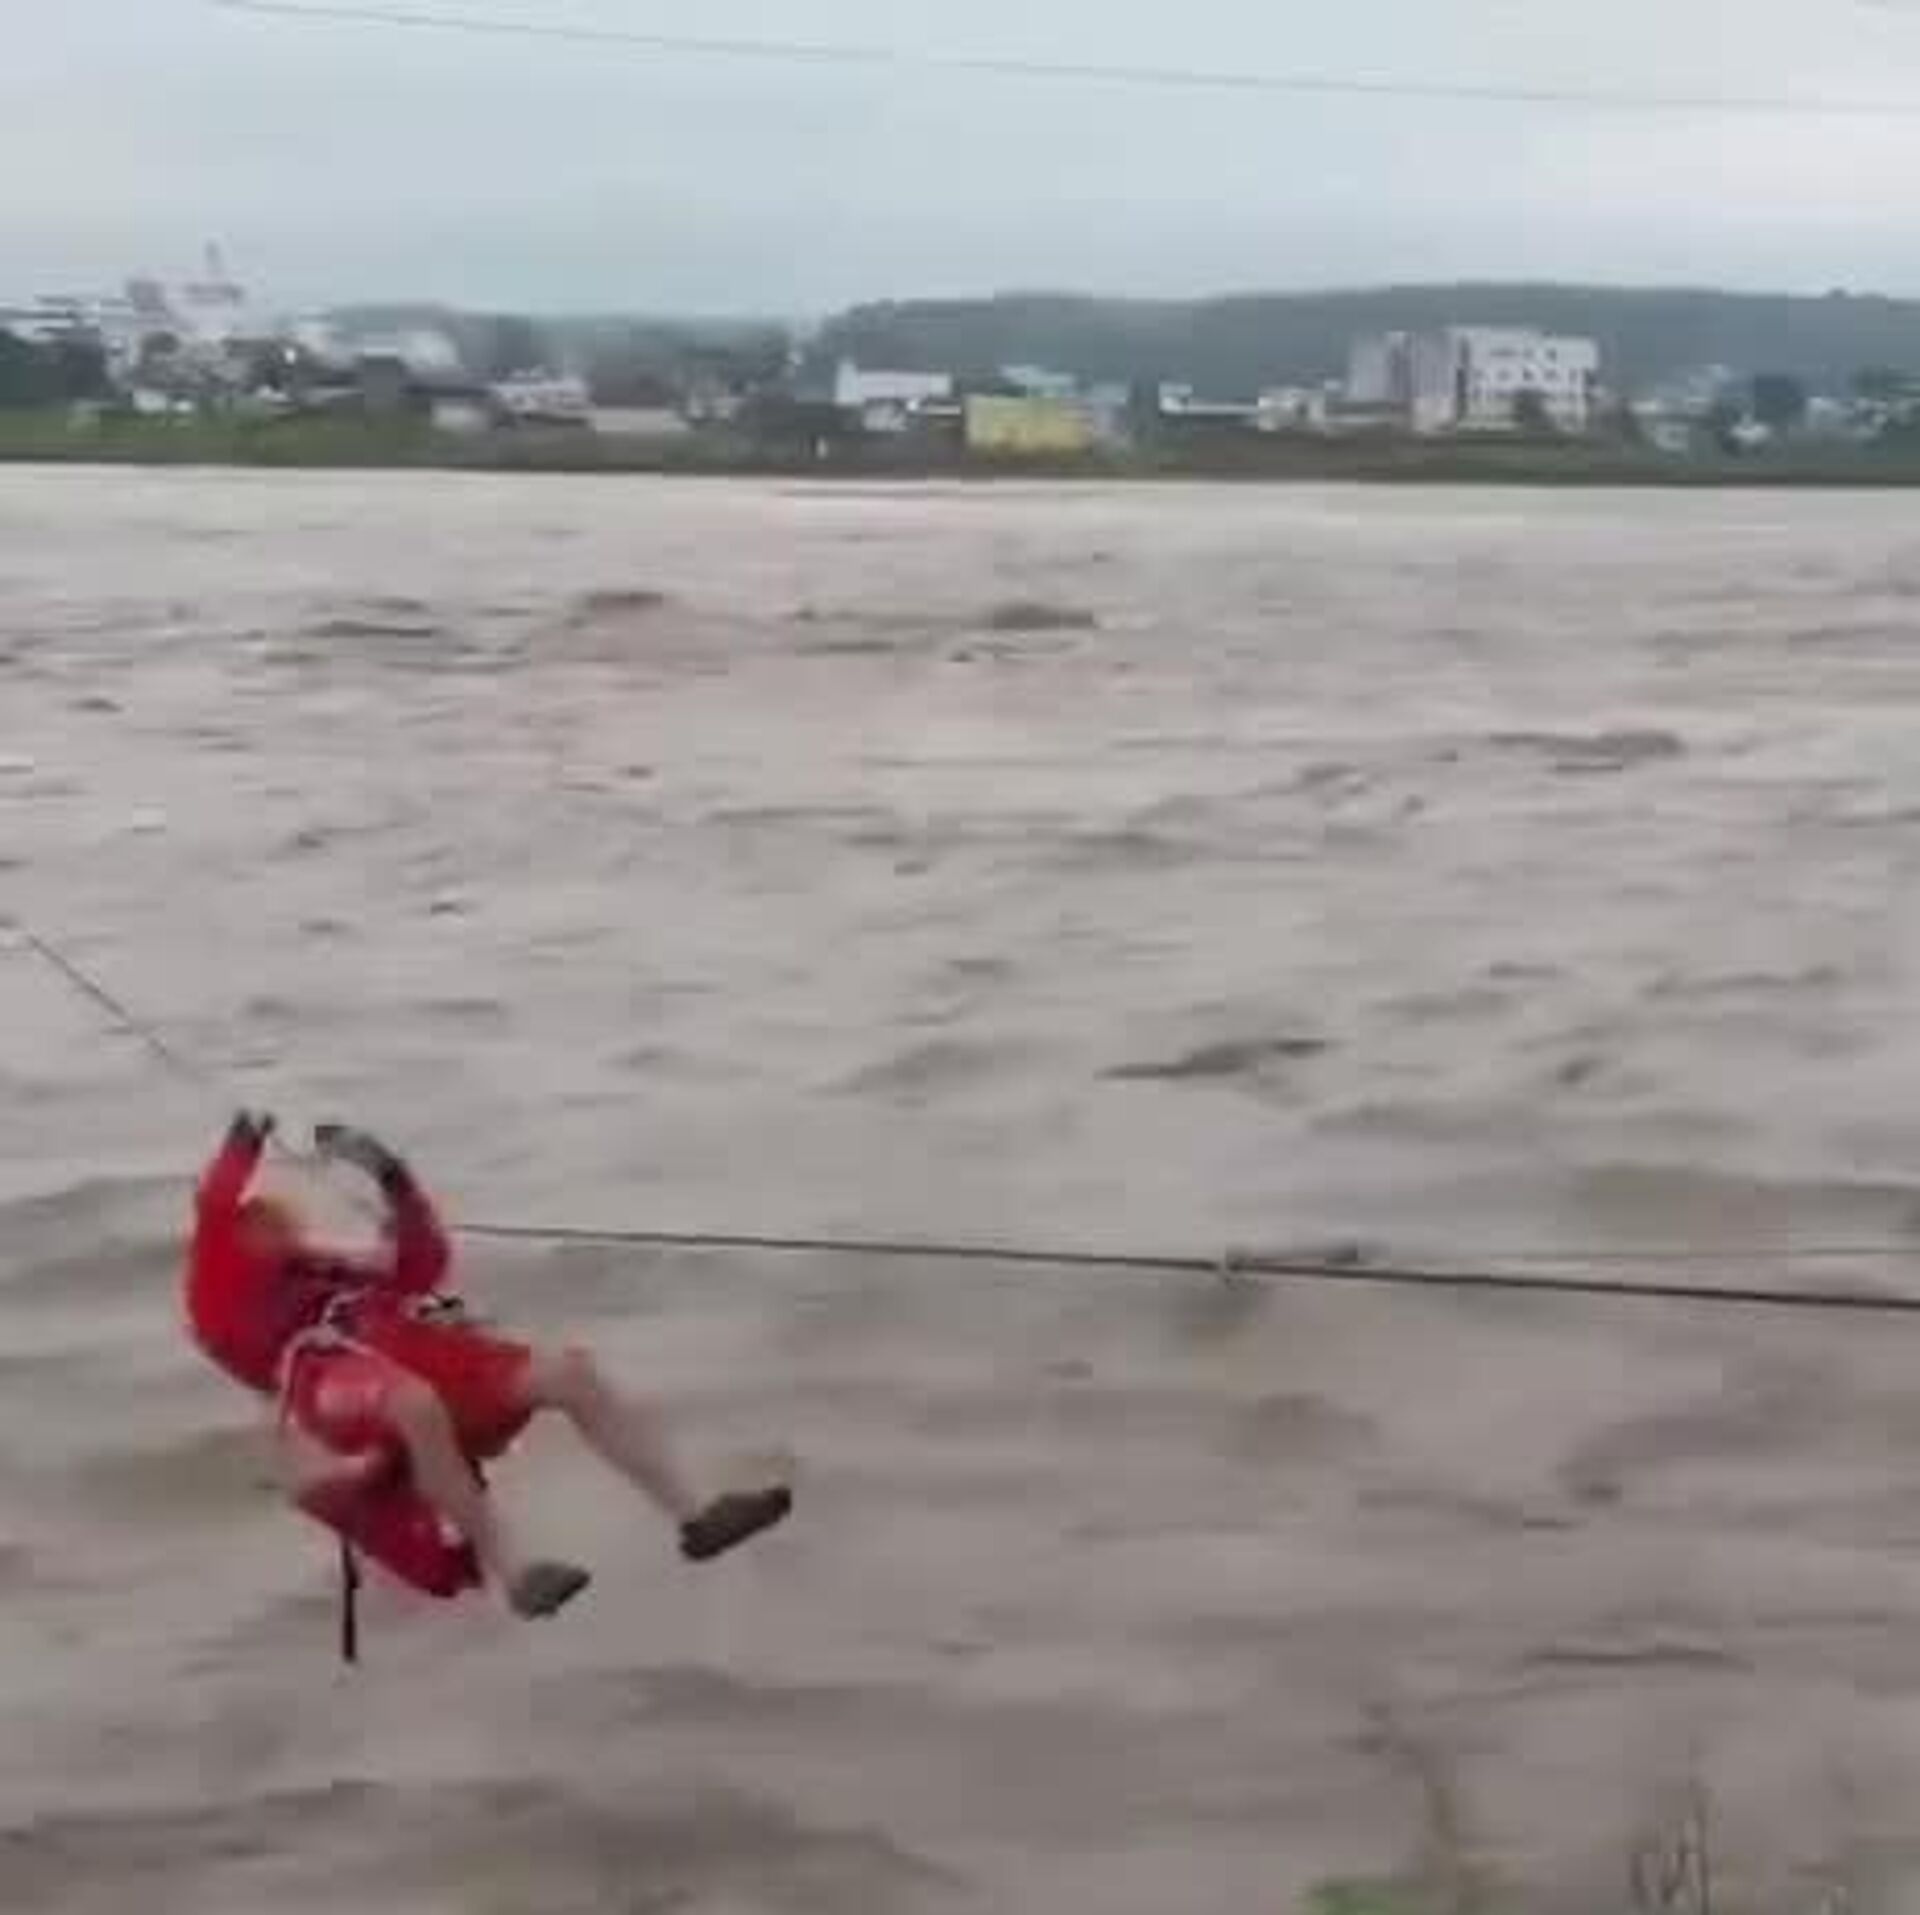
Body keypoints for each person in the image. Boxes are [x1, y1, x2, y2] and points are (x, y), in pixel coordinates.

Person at [185, 1110, 792, 1619]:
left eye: (279, 1223)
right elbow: (215, 1208)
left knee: (568, 1374)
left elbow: (422, 1263)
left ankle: (696, 1516)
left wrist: (390, 1175)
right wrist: (243, 1143)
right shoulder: (220, 1289)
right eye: (255, 1223)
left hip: (428, 1359)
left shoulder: (333, 1271)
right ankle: (516, 1572)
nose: (273, 1230)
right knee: (412, 1402)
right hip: (327, 1384)